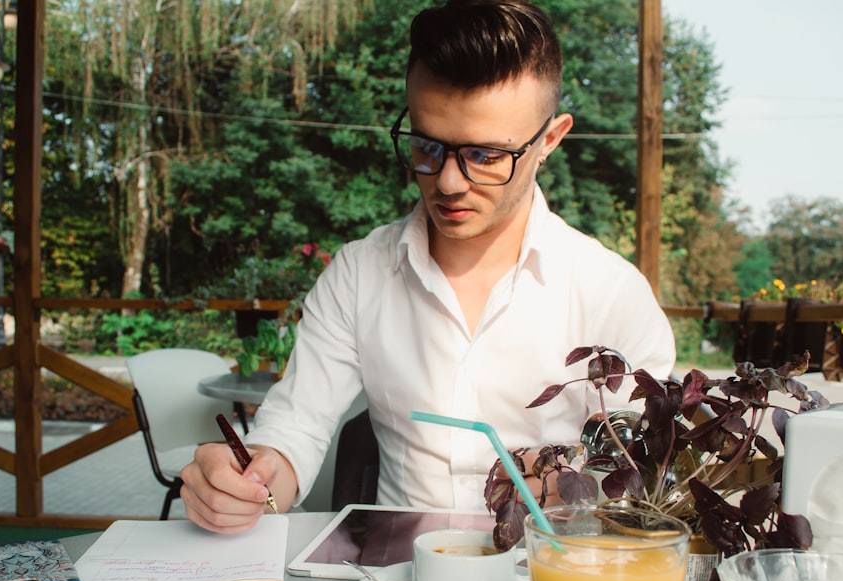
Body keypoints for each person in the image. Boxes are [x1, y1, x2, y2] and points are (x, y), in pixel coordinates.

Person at [180, 0, 675, 534]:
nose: (447, 182)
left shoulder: (611, 293)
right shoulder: (358, 274)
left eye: (486, 156)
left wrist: (579, 479)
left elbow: (654, 469)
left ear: (548, 141)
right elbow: (296, 425)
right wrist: (251, 482)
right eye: (426, 145)